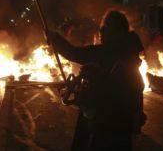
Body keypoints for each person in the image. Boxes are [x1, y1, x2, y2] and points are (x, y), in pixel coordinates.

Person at [46, 10, 146, 150]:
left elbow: (76, 54)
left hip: (111, 119)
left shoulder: (114, 49)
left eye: (106, 26)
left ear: (117, 30)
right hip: (117, 118)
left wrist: (54, 39)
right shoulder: (124, 48)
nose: (102, 30)